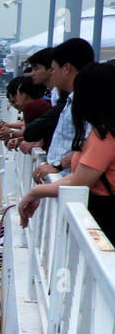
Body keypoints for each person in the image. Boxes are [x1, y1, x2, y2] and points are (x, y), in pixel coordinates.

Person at [19, 61, 115, 244]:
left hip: (105, 221)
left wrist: (35, 192)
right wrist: (37, 192)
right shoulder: (104, 131)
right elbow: (81, 175)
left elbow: (79, 182)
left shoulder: (104, 136)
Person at [28, 37, 94, 183]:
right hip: (60, 182)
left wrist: (58, 166)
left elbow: (91, 148)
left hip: (68, 186)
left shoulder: (85, 102)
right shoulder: (71, 101)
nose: (52, 74)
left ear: (66, 68)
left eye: (54, 68)